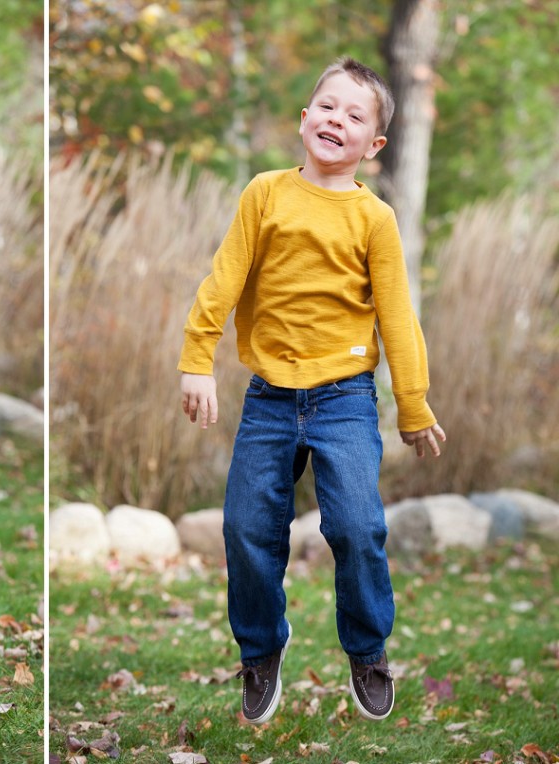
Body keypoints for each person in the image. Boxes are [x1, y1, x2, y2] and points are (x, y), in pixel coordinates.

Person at [178, 57, 446, 724]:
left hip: (345, 399)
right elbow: (223, 281)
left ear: (374, 146)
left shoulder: (373, 219)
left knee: (356, 527)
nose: (337, 120)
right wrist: (196, 359)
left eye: (355, 116)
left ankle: (367, 648)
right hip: (269, 397)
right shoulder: (265, 194)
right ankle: (262, 648)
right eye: (327, 106)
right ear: (305, 119)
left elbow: (398, 317)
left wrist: (412, 404)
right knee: (245, 529)